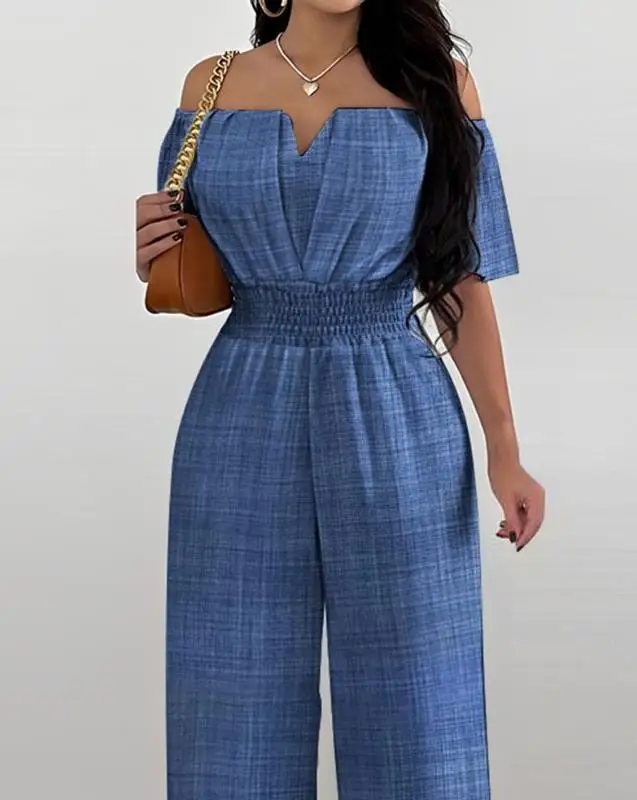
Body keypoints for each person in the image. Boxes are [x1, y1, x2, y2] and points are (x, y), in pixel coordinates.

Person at [135, 1, 546, 797]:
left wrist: (505, 450)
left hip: (396, 401)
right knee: (228, 691)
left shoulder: (438, 85)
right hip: (240, 403)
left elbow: (459, 275)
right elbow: (196, 264)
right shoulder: (209, 87)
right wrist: (154, 251)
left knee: (418, 694)